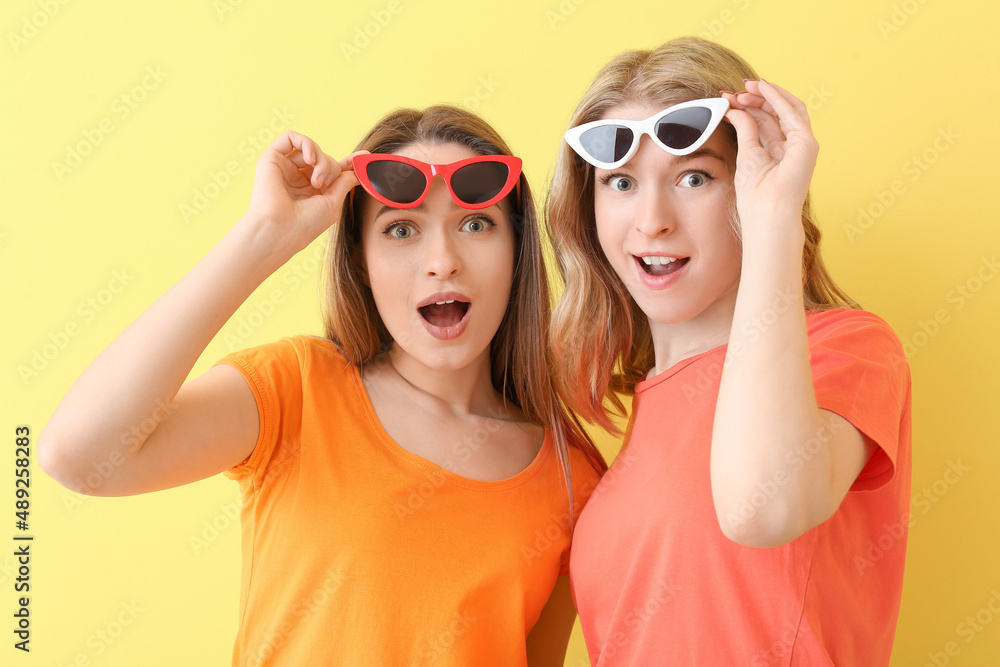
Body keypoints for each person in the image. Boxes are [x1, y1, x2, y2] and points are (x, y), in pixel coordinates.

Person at [39, 105, 605, 665]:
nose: (442, 261)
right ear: (361, 262)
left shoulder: (568, 475)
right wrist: (264, 235)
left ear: (518, 251)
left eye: (476, 223)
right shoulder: (296, 391)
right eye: (401, 229)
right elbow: (78, 456)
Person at [547, 37, 912, 665]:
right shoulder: (623, 429)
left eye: (695, 177)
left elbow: (763, 507)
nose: (652, 219)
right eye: (621, 182)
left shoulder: (847, 348)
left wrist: (775, 216)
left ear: (750, 181)